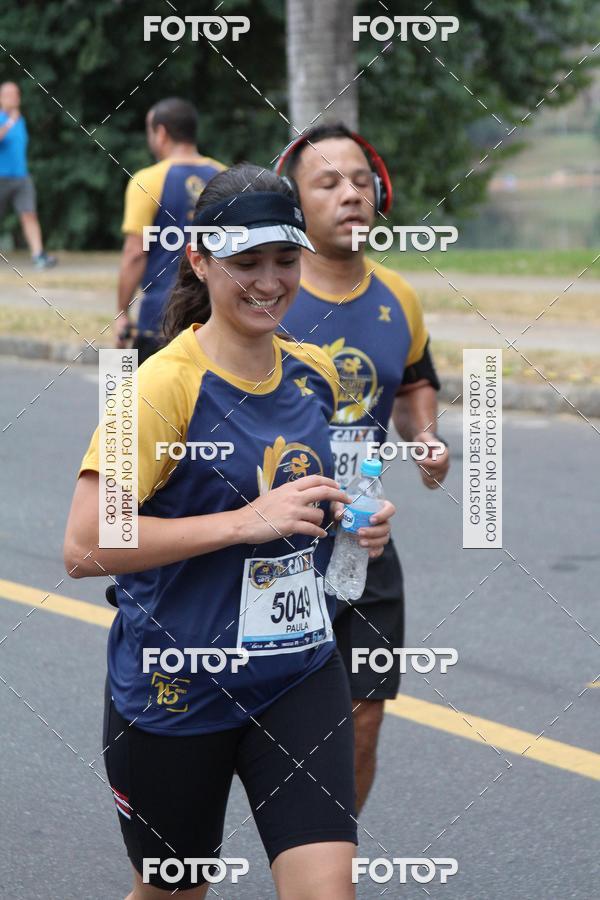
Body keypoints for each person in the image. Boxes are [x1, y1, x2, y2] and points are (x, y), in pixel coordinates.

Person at [64, 165, 395, 899]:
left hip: (298, 674)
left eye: (285, 260)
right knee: (176, 892)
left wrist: (353, 523)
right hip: (178, 691)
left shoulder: (315, 375)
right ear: (199, 258)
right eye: (247, 263)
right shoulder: (161, 387)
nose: (271, 283)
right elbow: (85, 545)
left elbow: (319, 492)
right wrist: (244, 523)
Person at [277, 123, 450, 813]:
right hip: (272, 545)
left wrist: (427, 438)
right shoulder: (268, 293)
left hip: (364, 542)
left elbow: (413, 382)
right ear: (295, 205)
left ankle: (327, 861)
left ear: (379, 192)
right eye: (327, 183)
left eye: (359, 182)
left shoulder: (399, 296)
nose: (350, 195)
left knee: (364, 720)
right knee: (264, 724)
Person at [114, 97, 226, 364]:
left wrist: (121, 312)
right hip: (216, 321)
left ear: (161, 132)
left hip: (159, 320)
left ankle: (119, 403)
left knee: (127, 399)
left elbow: (134, 254)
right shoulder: (225, 176)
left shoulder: (147, 180)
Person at [0, 81, 56, 269]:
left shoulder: (20, 119)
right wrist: (9, 122)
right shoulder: (5, 118)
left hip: (21, 177)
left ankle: (38, 255)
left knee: (29, 214)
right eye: (9, 94)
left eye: (17, 94)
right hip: (1, 177)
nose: (15, 97)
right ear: (1, 98)